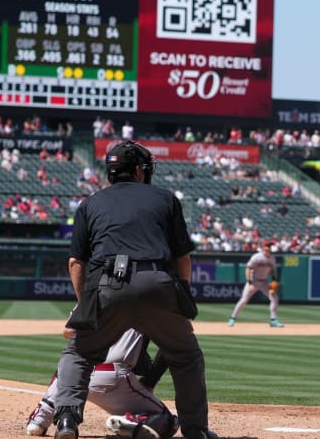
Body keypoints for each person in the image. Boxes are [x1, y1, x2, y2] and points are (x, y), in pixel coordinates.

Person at [50, 140, 216, 439]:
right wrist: (182, 296)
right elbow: (183, 258)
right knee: (186, 357)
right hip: (157, 284)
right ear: (140, 170)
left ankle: (66, 421)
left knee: (79, 354)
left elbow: (76, 263)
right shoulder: (165, 198)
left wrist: (85, 304)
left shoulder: (90, 203)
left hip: (106, 286)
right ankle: (196, 431)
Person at [26, 328, 177, 437]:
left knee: (70, 359)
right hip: (113, 376)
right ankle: (132, 421)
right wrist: (149, 382)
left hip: (78, 374)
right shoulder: (148, 297)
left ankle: (41, 416)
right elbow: (171, 341)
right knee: (169, 421)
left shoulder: (94, 293)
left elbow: (69, 331)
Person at [227, 240, 283, 328]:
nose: (269, 247)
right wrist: (250, 283)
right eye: (267, 246)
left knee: (274, 298)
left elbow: (272, 270)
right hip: (254, 280)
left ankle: (273, 320)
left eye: (270, 246)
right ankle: (232, 318)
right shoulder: (257, 257)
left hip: (264, 282)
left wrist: (274, 280)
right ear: (263, 247)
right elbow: (248, 269)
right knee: (244, 300)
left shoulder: (272, 257)